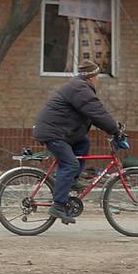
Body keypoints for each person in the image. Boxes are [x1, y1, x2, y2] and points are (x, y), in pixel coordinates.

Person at [33, 61, 128, 223]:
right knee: (70, 164)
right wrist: (115, 131)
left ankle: (71, 182)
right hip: (53, 133)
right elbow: (97, 111)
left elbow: (93, 116)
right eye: (97, 76)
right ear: (91, 77)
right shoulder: (80, 89)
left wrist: (112, 130)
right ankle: (58, 205)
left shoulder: (79, 87)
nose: (97, 80)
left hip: (61, 132)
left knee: (83, 144)